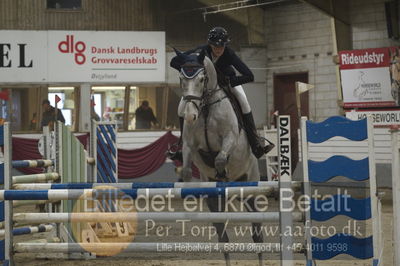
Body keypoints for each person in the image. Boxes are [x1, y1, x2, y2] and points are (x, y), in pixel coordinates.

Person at [169, 26, 274, 159]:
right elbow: (174, 62)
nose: (218, 49)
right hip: (204, 86)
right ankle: (182, 145)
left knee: (244, 102)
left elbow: (249, 75)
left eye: (221, 46)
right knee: (181, 108)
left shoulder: (229, 54)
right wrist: (189, 72)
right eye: (215, 46)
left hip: (227, 83)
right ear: (210, 44)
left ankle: (255, 144)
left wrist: (230, 81)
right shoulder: (201, 51)